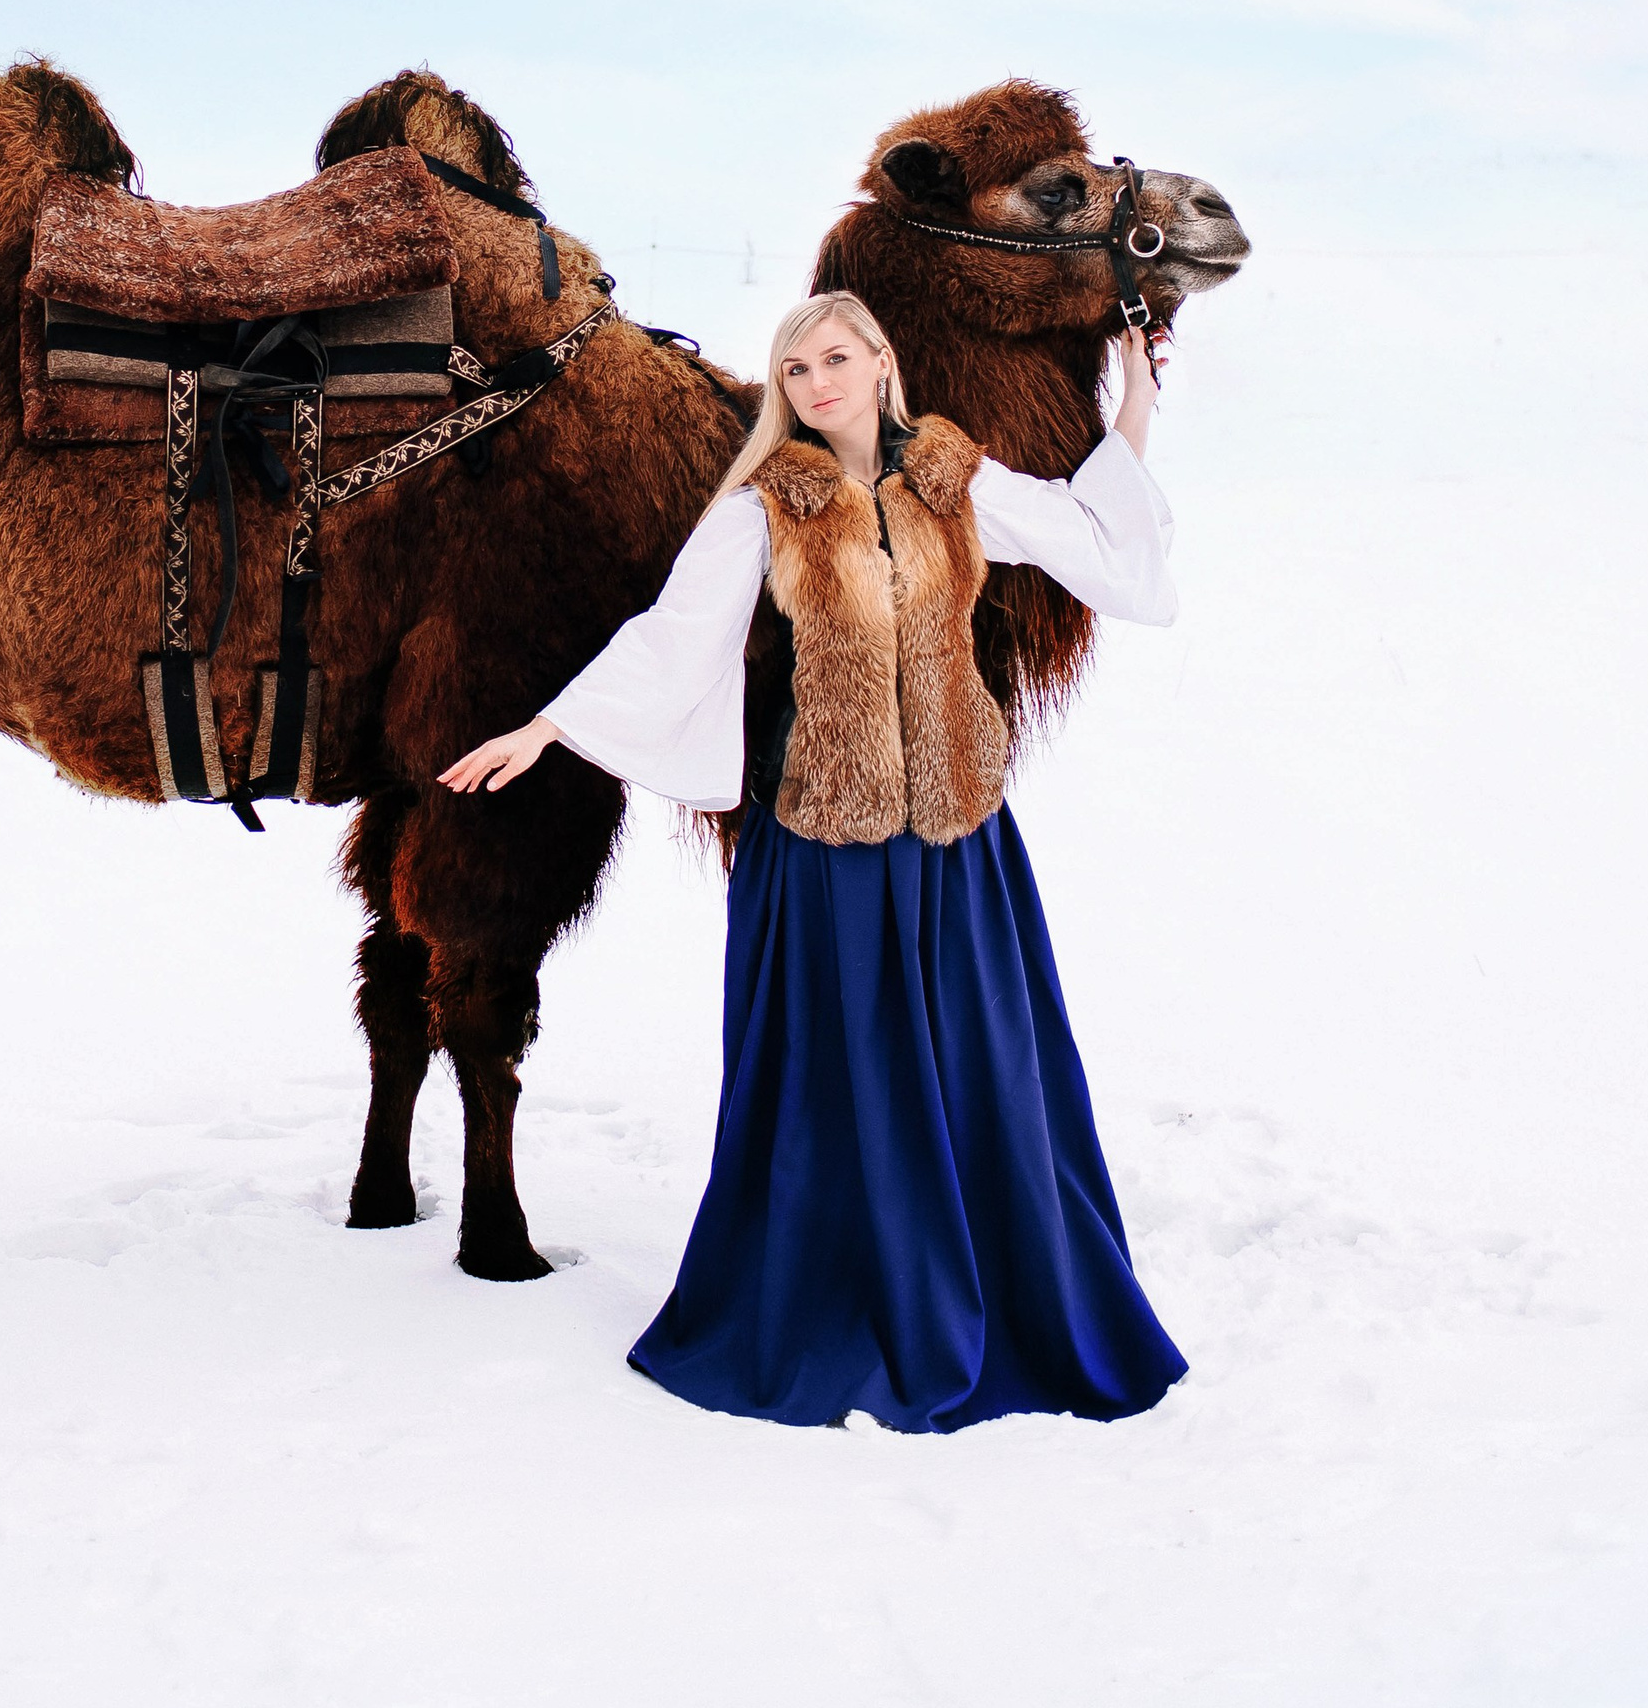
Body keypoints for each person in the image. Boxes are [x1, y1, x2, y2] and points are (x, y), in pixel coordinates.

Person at [441, 289, 1187, 1435]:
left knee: (984, 1074)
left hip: (959, 845)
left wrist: (1136, 396)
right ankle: (837, 1300)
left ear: (883, 361)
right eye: (794, 368)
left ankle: (1008, 1293)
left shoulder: (955, 479)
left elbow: (1096, 539)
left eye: (835, 357)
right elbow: (673, 635)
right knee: (839, 1087)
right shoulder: (765, 509)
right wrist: (548, 728)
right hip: (824, 846)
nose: (815, 382)